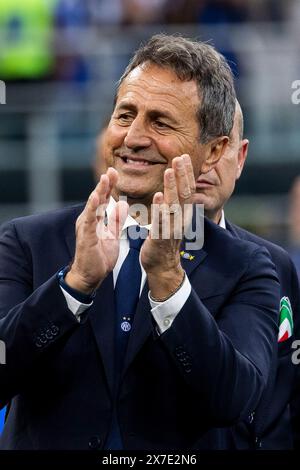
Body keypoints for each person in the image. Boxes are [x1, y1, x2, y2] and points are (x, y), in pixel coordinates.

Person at [0, 34, 280, 450]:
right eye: (125, 115)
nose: (133, 137)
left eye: (160, 122)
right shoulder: (26, 240)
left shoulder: (249, 267)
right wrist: (73, 286)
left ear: (215, 149)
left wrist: (169, 280)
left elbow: (234, 400)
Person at [193, 101, 300, 449]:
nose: (207, 162)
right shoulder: (121, 262)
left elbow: (288, 391)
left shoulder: (276, 264)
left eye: (220, 146)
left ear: (240, 157)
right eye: (197, 141)